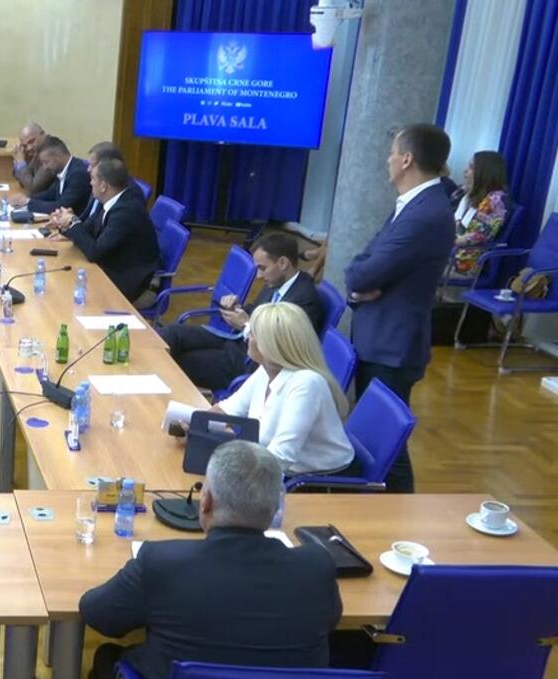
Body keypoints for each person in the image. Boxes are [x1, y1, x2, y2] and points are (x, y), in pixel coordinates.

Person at [80, 440, 341, 679]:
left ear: (205, 501)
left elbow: (97, 613)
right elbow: (330, 622)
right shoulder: (317, 566)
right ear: (274, 507)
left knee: (106, 658)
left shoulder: (161, 563)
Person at [344, 123, 455, 493]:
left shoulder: (426, 213)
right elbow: (363, 262)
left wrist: (360, 283)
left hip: (392, 347)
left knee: (386, 449)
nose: (387, 159)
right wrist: (359, 287)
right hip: (380, 339)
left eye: (392, 152)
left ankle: (398, 515)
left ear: (407, 159)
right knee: (374, 440)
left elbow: (363, 273)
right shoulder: (413, 203)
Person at [159, 233, 325, 392]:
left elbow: (281, 348)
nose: (258, 276)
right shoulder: (277, 282)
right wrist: (236, 308)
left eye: (262, 268)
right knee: (172, 333)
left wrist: (246, 324)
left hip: (250, 363)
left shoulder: (304, 300)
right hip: (235, 341)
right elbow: (255, 309)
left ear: (282, 263)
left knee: (180, 362)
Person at [215, 303, 356, 476]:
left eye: (252, 333)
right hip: (270, 467)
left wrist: (226, 461)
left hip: (316, 482)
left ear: (271, 345)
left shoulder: (307, 384)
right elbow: (226, 410)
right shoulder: (266, 369)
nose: (247, 336)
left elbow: (281, 457)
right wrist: (194, 424)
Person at [49, 157, 161, 304]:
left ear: (103, 186)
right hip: (113, 268)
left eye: (92, 179)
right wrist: (66, 222)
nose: (90, 183)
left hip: (131, 284)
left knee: (65, 293)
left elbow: (95, 253)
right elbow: (87, 229)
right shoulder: (113, 200)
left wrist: (72, 222)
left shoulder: (125, 211)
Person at [452, 151, 510, 274]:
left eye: (471, 167)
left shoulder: (494, 202)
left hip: (464, 262)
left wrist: (443, 240)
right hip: (448, 251)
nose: (465, 170)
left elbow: (478, 236)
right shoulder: (465, 192)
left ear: (484, 174)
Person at [24, 136, 91, 216]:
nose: (45, 167)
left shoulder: (78, 174)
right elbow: (50, 194)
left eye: (46, 162)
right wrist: (27, 199)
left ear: (58, 157)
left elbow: (61, 206)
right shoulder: (63, 170)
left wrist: (28, 203)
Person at [9, 122, 56, 198]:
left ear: (43, 134)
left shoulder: (51, 153)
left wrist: (20, 161)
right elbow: (25, 181)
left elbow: (33, 188)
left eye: (31, 141)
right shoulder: (39, 150)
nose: (29, 148)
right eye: (25, 146)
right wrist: (18, 162)